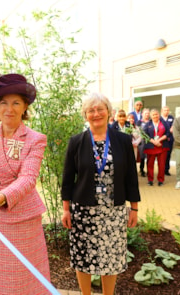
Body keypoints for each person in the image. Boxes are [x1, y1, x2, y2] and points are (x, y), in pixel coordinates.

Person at [0, 73, 51, 294]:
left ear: (24, 107)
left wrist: (0, 197)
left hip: (22, 220)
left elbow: (28, 179)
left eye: (15, 103)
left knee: (21, 280)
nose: (9, 109)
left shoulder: (36, 139)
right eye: (3, 103)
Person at [61, 93, 140, 295]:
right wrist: (66, 210)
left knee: (111, 258)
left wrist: (134, 208)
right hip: (83, 210)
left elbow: (131, 175)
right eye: (91, 110)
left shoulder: (122, 140)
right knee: (83, 257)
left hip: (113, 211)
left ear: (109, 112)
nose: (96, 114)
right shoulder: (77, 142)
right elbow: (68, 178)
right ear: (85, 115)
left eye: (100, 109)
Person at [143, 109, 171, 186]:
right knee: (150, 164)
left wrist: (159, 140)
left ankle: (161, 180)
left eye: (156, 114)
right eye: (153, 115)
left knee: (161, 165)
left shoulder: (164, 123)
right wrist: (154, 142)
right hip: (151, 147)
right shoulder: (148, 124)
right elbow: (145, 135)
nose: (155, 116)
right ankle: (150, 180)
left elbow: (168, 133)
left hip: (162, 146)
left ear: (159, 115)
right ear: (151, 116)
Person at [136, 108, 150, 177]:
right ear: (142, 114)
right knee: (142, 157)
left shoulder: (150, 121)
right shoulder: (139, 122)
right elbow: (138, 132)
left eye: (148, 113)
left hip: (149, 142)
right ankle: (141, 170)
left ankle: (149, 170)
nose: (147, 115)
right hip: (142, 142)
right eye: (145, 113)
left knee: (149, 157)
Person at [161, 106, 175, 176]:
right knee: (161, 156)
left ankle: (166, 170)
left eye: (167, 110)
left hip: (169, 139)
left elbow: (172, 128)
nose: (166, 112)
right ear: (162, 111)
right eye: (165, 110)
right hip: (161, 139)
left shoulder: (171, 118)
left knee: (168, 155)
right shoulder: (159, 119)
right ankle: (161, 170)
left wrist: (168, 133)